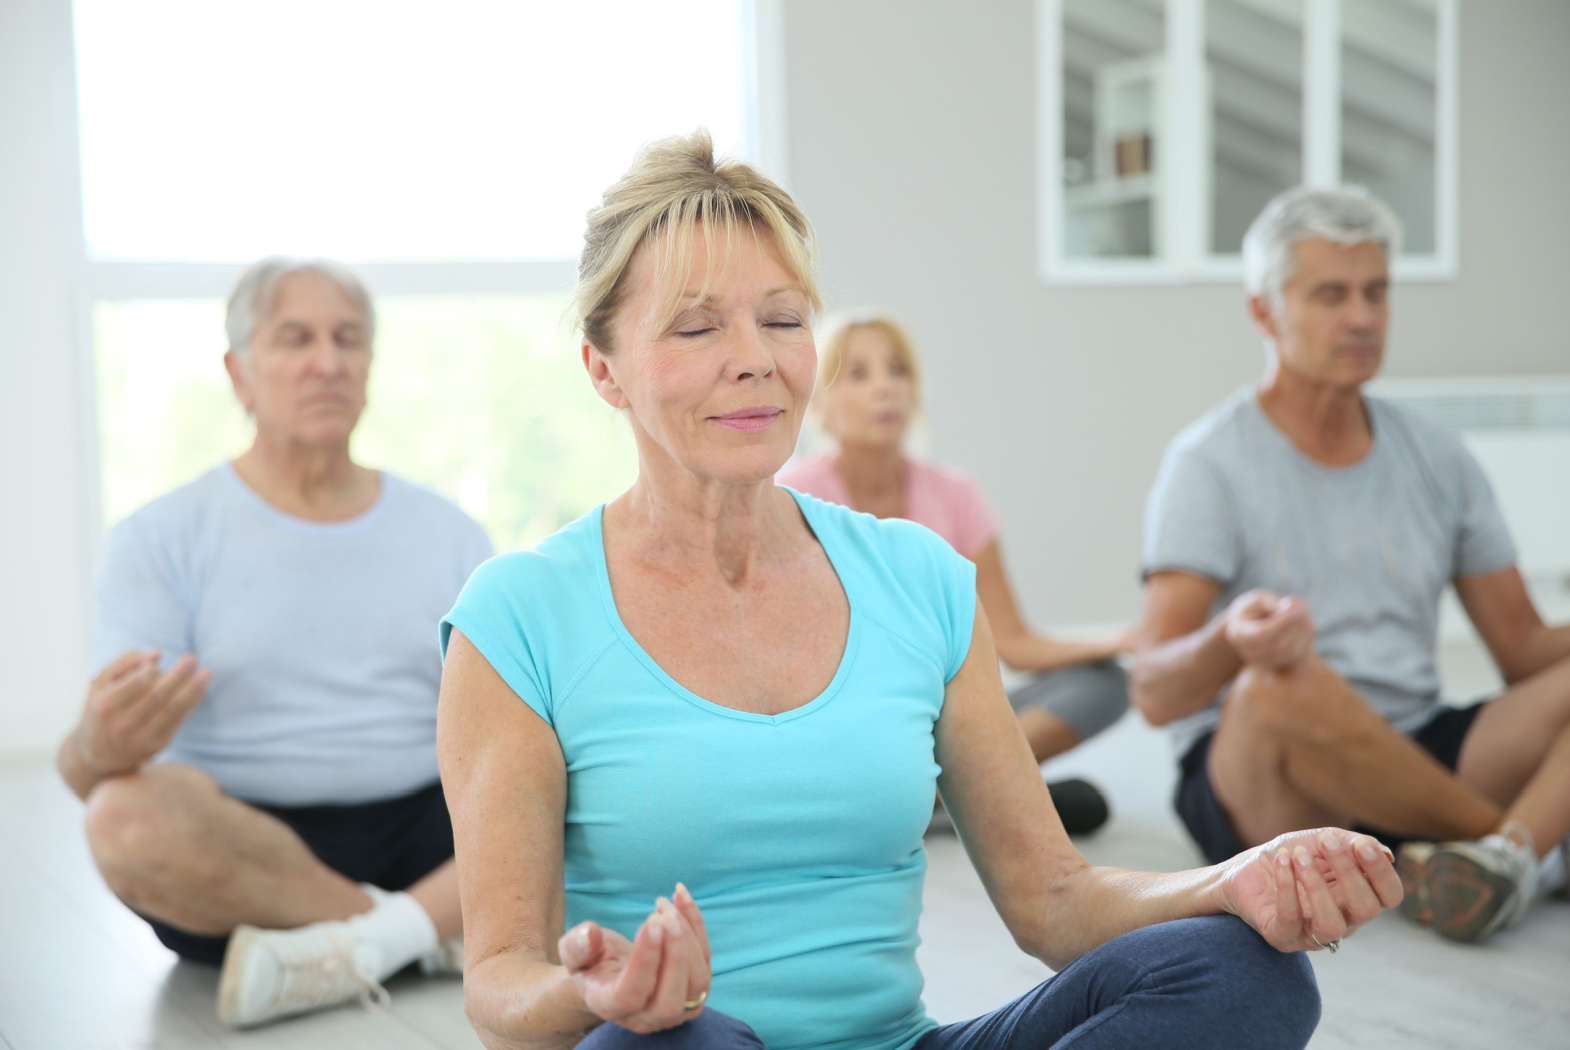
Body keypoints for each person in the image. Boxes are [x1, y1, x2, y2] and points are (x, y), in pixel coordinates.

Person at [436, 131, 1401, 1050]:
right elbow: (499, 985)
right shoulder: (518, 617)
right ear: (603, 369)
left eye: (782, 318)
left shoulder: (920, 576)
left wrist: (1233, 879)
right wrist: (591, 991)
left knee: (1242, 969)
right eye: (697, 326)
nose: (757, 357)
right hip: (682, 1042)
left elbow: (1053, 901)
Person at [1134, 186, 1570, 946]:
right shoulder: (1207, 463)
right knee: (1278, 689)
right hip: (1267, 776)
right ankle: (1535, 848)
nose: (1361, 316)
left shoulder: (1438, 456)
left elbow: (1524, 650)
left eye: (1376, 292)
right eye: (1331, 295)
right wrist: (1230, 642)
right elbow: (1152, 691)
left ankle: (1504, 855)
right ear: (1265, 312)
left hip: (1418, 742)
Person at [59, 258, 494, 1026]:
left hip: (432, 834)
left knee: (576, 770)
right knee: (119, 817)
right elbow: (83, 771)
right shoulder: (162, 537)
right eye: (295, 339)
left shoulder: (449, 533)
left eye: (348, 339)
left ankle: (364, 944)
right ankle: (416, 934)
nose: (327, 361)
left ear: (369, 365)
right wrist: (99, 743)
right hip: (237, 856)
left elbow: (506, 730)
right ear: (240, 372)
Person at [778, 312, 1131, 833]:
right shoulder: (791, 498)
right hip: (854, 720)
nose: (885, 388)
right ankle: (965, 795)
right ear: (821, 405)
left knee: (1106, 683)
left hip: (949, 716)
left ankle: (935, 795)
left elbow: (1013, 641)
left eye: (897, 370)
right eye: (858, 374)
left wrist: (1121, 639)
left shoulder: (957, 493)